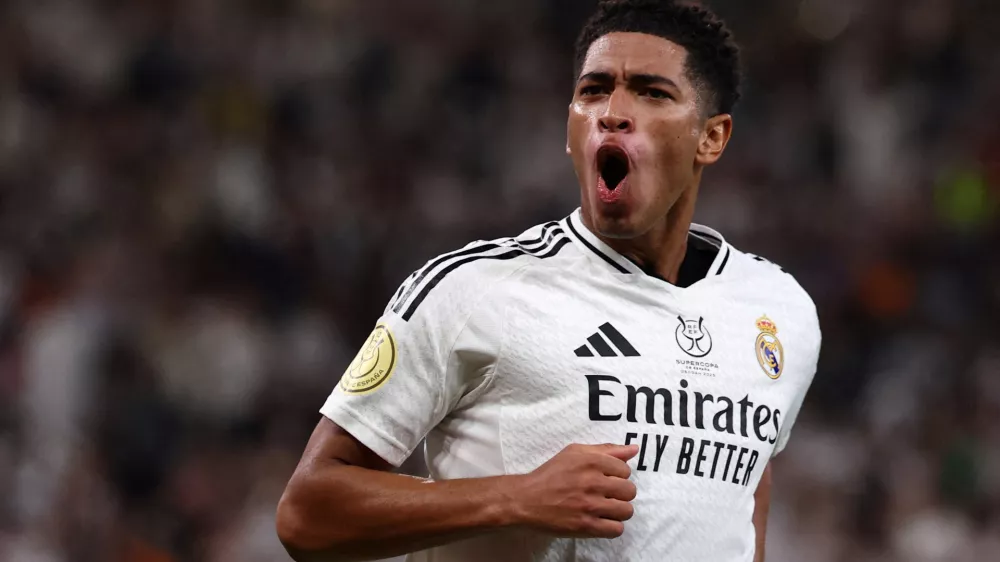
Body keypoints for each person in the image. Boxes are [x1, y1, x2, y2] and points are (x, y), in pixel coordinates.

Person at [276, 0, 821, 560]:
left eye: (652, 92)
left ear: (712, 137)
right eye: (594, 90)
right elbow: (308, 512)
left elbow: (746, 486)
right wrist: (516, 498)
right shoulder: (476, 289)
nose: (612, 111)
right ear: (570, 128)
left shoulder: (779, 311)